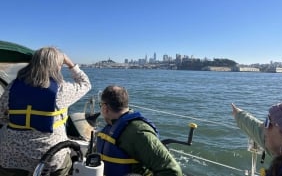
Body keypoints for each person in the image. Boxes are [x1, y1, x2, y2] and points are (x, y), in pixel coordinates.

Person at [0, 47, 91, 176]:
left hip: (11, 155)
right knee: (65, 164)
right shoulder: (62, 90)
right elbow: (86, 84)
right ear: (57, 67)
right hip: (50, 156)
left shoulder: (12, 87)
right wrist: (70, 64)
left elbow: (1, 116)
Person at [96, 85, 183, 176]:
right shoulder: (112, 126)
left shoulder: (138, 132)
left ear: (105, 108)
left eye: (100, 105)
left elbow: (173, 171)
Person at [231, 100, 282, 176]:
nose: (263, 125)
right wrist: (239, 115)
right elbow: (257, 131)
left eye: (269, 122)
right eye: (266, 119)